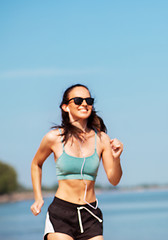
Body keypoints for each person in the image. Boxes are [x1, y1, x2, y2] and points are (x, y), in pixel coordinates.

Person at [30, 84, 124, 240]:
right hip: (61, 213)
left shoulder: (102, 139)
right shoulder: (54, 138)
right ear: (65, 107)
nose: (84, 104)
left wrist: (117, 157)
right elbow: (36, 164)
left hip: (90, 213)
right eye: (78, 100)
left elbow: (114, 180)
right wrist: (38, 197)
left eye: (88, 100)